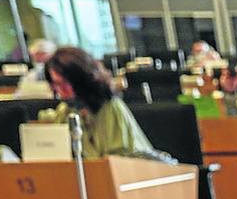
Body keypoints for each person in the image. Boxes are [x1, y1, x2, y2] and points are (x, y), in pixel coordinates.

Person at [43, 46, 174, 163]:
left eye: (64, 83)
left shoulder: (111, 107)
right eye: (55, 84)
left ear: (81, 80)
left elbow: (119, 160)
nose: (60, 90)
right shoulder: (66, 110)